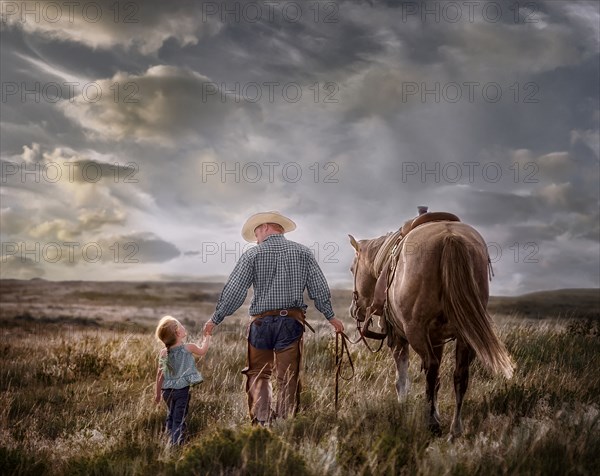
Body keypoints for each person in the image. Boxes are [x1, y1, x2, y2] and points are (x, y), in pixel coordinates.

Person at [203, 211, 344, 426]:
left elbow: (235, 289)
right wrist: (331, 317)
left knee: (259, 373)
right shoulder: (303, 253)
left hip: (260, 323)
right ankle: (284, 423)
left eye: (256, 231)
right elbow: (319, 288)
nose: (256, 237)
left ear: (267, 227)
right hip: (291, 323)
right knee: (287, 376)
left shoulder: (252, 255)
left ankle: (262, 421)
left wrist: (216, 318)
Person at [155, 315, 210, 445]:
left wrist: (157, 394)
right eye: (181, 325)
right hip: (182, 391)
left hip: (166, 392)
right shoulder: (188, 347)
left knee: (171, 416)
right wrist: (207, 337)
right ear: (178, 333)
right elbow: (203, 351)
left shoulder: (164, 352)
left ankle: (168, 441)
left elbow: (159, 374)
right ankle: (177, 445)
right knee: (179, 419)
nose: (183, 327)